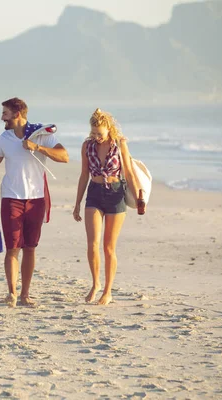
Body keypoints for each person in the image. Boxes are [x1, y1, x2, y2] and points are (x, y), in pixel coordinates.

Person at [0, 98, 69, 307]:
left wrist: (37, 147)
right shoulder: (4, 138)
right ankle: (12, 293)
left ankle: (25, 294)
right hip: (11, 198)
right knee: (12, 248)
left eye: (5, 113)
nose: (2, 118)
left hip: (36, 199)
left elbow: (64, 156)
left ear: (17, 114)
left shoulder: (42, 134)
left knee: (30, 247)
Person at [72, 108, 142, 305]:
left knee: (108, 247)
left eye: (99, 133)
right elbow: (84, 174)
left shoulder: (120, 145)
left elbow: (128, 172)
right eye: (93, 133)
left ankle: (108, 291)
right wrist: (77, 203)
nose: (96, 137)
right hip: (94, 193)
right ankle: (95, 284)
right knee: (92, 244)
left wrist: (138, 197)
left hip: (115, 194)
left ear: (108, 128)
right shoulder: (87, 146)